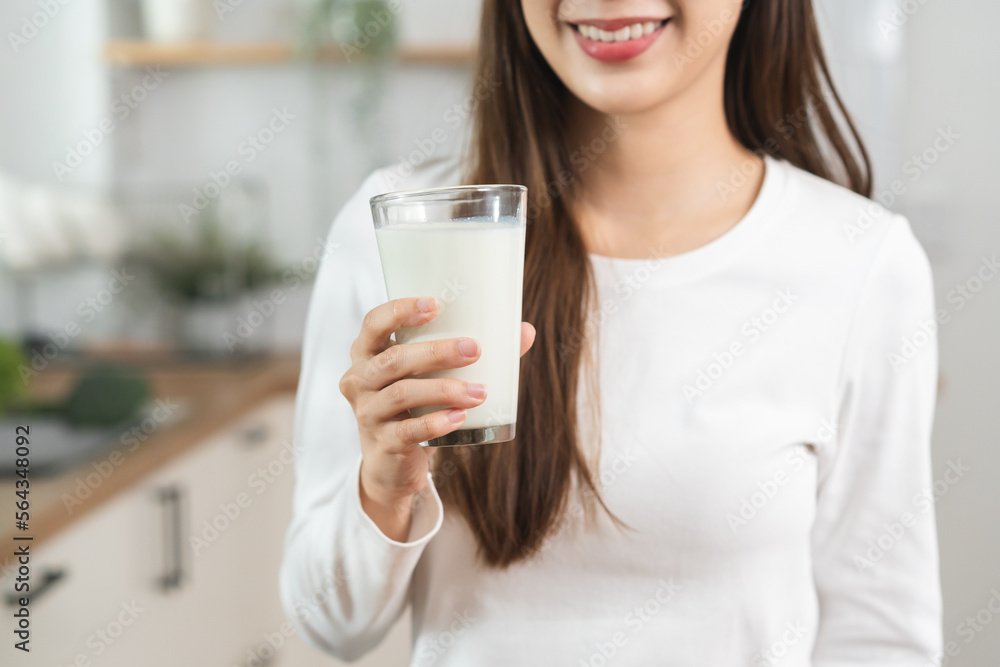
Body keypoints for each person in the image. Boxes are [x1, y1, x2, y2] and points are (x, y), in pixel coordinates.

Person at [280, 1, 943, 664]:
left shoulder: (862, 263)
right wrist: (383, 487)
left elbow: (880, 637)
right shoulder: (399, 237)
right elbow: (331, 625)